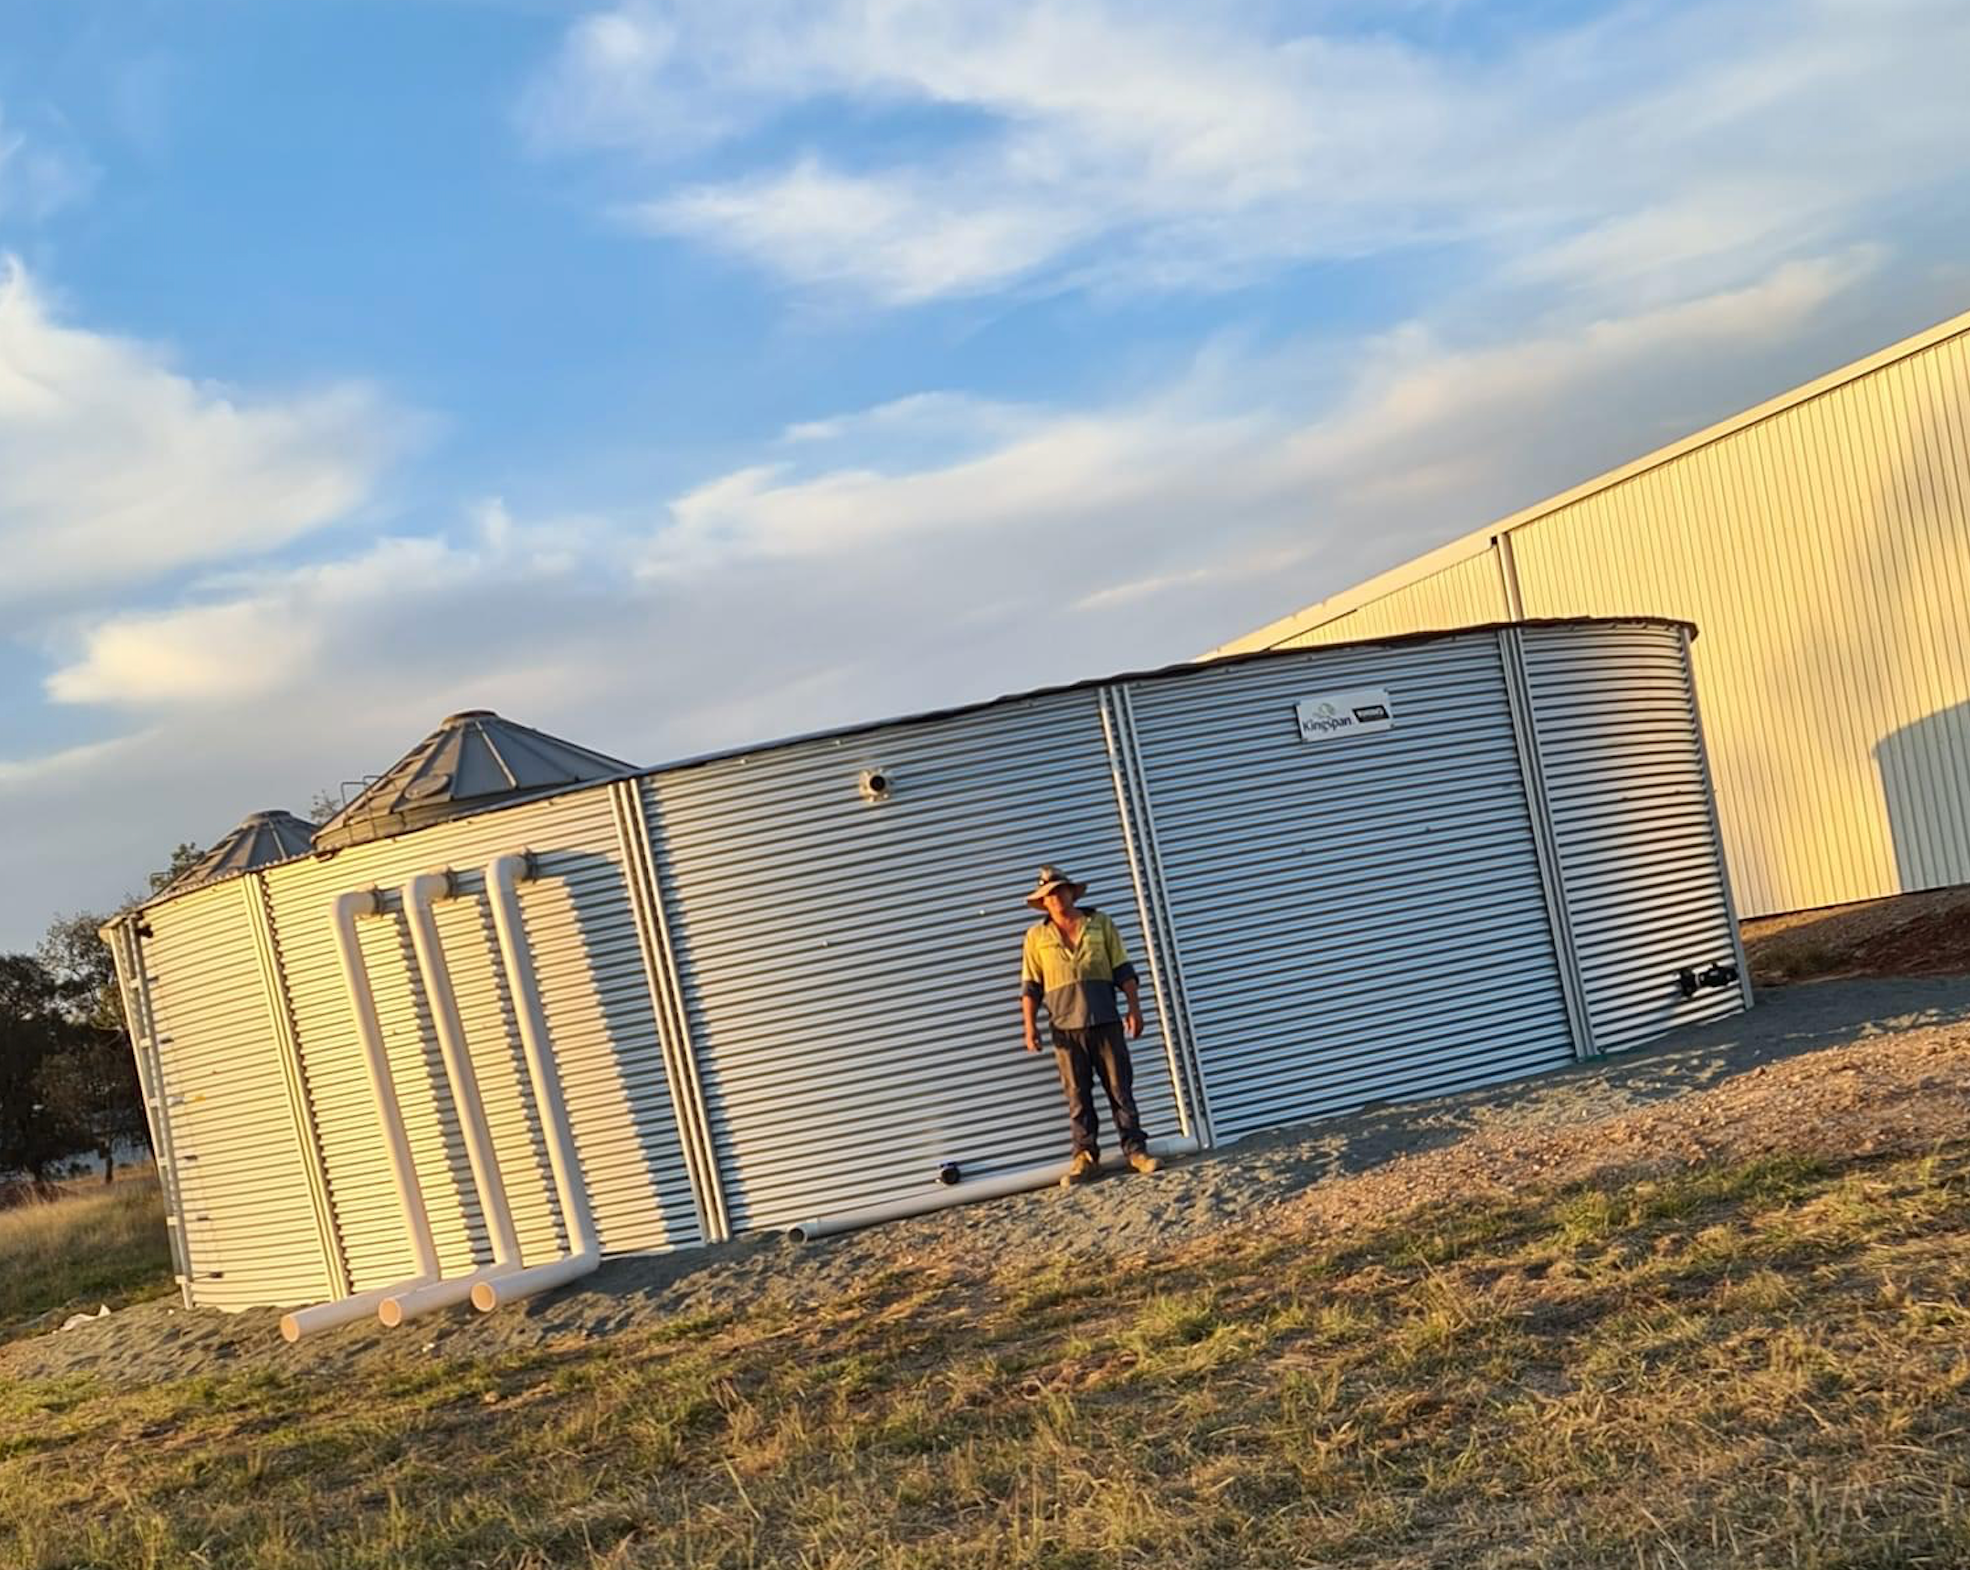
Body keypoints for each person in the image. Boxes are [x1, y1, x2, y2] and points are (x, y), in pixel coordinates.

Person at [1019, 865, 1161, 1186]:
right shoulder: (1036, 937)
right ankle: (1085, 1156)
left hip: (1106, 1020)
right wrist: (1030, 1026)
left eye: (1059, 891)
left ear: (1071, 892)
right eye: (1048, 895)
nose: (1055, 898)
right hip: (1065, 1027)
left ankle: (1135, 1150)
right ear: (1043, 902)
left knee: (1120, 1088)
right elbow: (1030, 985)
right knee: (1077, 1095)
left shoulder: (1100, 924)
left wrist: (1134, 1008)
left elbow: (1123, 968)